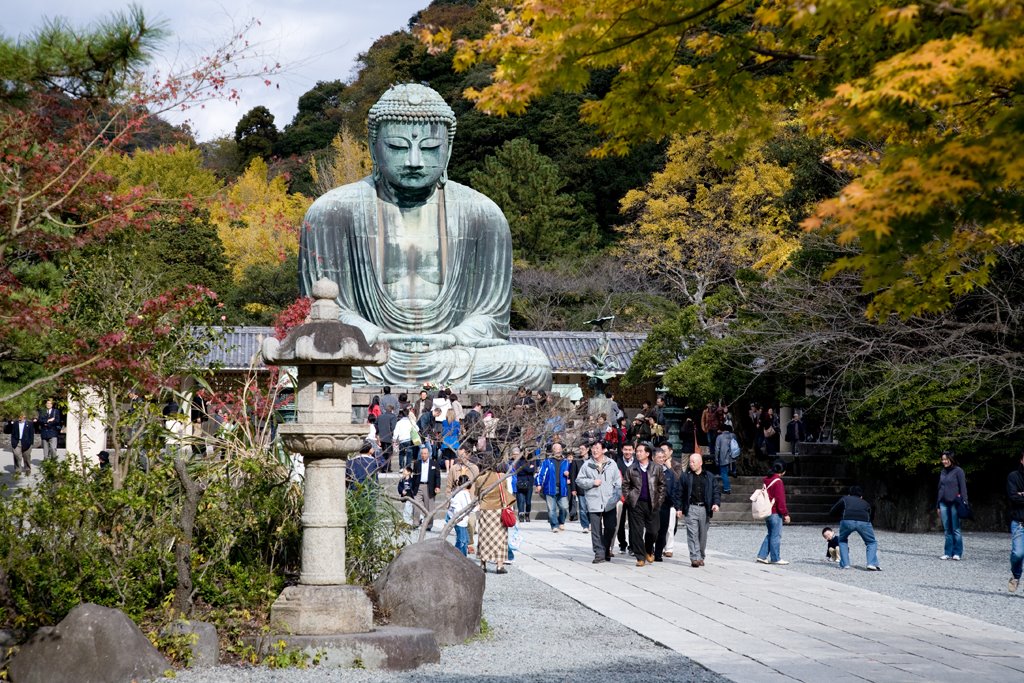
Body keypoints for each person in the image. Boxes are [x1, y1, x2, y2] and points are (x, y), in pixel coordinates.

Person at [576, 440, 623, 563]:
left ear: (603, 450)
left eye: (597, 448)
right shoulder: (587, 465)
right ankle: (599, 553)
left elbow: (618, 482)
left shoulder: (611, 463)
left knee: (611, 527)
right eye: (593, 448)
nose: (595, 450)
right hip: (593, 500)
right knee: (596, 530)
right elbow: (579, 480)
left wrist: (616, 497)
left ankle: (606, 549)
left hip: (610, 501)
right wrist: (592, 482)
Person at [622, 442, 666, 567]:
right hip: (636, 504)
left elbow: (662, 485)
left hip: (652, 504)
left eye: (641, 451)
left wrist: (659, 500)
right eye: (637, 451)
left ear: (647, 453)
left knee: (653, 531)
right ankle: (640, 556)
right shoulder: (632, 469)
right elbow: (625, 485)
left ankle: (648, 550)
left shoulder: (656, 468)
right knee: (637, 531)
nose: (638, 453)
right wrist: (629, 498)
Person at [677, 452, 721, 567]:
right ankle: (694, 557)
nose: (691, 464)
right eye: (690, 462)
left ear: (700, 463)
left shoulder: (709, 476)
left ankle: (701, 555)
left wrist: (716, 503)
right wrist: (679, 508)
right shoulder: (685, 476)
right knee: (692, 534)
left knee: (702, 535)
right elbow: (679, 493)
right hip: (691, 507)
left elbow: (716, 491)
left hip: (704, 508)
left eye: (694, 462)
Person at [830, 486, 881, 570]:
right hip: (864, 522)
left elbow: (832, 512)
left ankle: (845, 564)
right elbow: (870, 516)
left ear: (849, 494)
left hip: (847, 521)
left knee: (842, 540)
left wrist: (841, 516)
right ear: (861, 496)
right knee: (871, 542)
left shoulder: (845, 499)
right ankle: (871, 563)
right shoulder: (865, 503)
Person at [475, 466, 511, 573]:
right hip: (498, 509)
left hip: (485, 509)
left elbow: (477, 494)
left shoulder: (480, 479)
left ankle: (483, 563)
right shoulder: (501, 476)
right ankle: (499, 565)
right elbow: (505, 491)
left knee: (484, 537)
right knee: (500, 537)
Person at [756, 461, 791, 565]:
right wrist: (785, 514)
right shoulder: (778, 481)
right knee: (776, 535)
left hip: (767, 510)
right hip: (775, 511)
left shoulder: (766, 480)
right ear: (783, 472)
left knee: (771, 534)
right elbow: (780, 499)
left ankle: (762, 556)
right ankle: (775, 558)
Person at [936, 450, 968, 560]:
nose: (944, 461)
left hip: (955, 502)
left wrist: (965, 502)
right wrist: (937, 505)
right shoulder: (943, 472)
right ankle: (947, 552)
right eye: (943, 459)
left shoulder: (958, 471)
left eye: (946, 459)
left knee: (956, 529)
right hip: (943, 502)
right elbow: (940, 489)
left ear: (951, 459)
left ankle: (957, 553)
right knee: (947, 529)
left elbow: (963, 488)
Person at [535, 443, 571, 532]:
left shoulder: (566, 462)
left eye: (559, 448)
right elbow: (541, 473)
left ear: (562, 450)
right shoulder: (547, 461)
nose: (558, 450)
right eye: (556, 449)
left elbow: (572, 473)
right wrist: (539, 484)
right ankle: (554, 525)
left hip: (563, 488)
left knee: (564, 507)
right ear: (553, 450)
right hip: (550, 487)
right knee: (551, 509)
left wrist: (569, 476)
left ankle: (561, 521)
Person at [653, 448, 679, 562]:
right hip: (652, 505)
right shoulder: (649, 471)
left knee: (663, 530)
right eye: (659, 457)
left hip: (665, 504)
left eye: (663, 457)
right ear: (653, 458)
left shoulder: (669, 473)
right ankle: (649, 550)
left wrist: (675, 504)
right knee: (652, 530)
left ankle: (658, 553)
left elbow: (674, 489)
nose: (661, 460)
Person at [410, 445, 442, 530]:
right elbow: (414, 476)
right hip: (419, 486)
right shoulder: (417, 463)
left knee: (429, 508)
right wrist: (412, 488)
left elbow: (437, 476)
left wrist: (437, 486)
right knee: (416, 505)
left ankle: (428, 525)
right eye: (422, 454)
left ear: (428, 454)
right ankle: (415, 523)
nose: (423, 455)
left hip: (429, 486)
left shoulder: (434, 464)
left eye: (425, 453)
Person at [1007, 448, 1024, 593]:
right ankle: (1016, 575)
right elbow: (1013, 497)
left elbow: (1019, 497)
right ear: (1021, 460)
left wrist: (1022, 494)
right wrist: (1019, 495)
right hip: (1019, 522)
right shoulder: (1013, 476)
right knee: (1017, 554)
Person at [616, 443, 637, 554]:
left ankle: (632, 546)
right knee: (620, 521)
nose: (627, 452)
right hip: (621, 496)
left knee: (634, 523)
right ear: (622, 450)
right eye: (625, 450)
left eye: (630, 450)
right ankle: (622, 544)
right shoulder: (617, 462)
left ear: (633, 450)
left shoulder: (637, 463)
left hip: (634, 497)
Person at [448, 475, 473, 556]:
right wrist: (477, 507)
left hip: (456, 519)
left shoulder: (456, 491)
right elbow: (468, 506)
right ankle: (458, 557)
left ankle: (460, 557)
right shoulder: (464, 493)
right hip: (460, 521)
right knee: (462, 541)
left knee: (464, 539)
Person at [570, 443, 591, 532]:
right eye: (580, 449)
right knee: (582, 508)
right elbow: (573, 475)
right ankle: (585, 525)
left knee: (591, 508)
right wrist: (573, 489)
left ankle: (591, 523)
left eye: (582, 448)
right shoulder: (576, 461)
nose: (580, 450)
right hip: (580, 488)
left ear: (587, 449)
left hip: (591, 487)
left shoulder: (592, 460)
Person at [512, 446, 535, 523]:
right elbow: (521, 470)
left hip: (529, 483)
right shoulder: (519, 461)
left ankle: (527, 514)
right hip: (520, 482)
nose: (527, 453)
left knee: (528, 501)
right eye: (525, 452)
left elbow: (533, 470)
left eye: (528, 452)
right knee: (520, 500)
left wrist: (526, 468)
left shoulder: (532, 461)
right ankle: (521, 515)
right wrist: (528, 468)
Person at [713, 424, 738, 494]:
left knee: (724, 473)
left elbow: (717, 449)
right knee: (731, 466)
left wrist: (716, 459)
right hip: (733, 456)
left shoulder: (719, 437)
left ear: (721, 430)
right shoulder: (733, 435)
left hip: (723, 457)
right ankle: (734, 471)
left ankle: (727, 488)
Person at [376, 402, 397, 472]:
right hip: (389, 437)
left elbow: (376, 425)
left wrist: (378, 434)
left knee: (384, 452)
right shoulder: (393, 416)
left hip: (381, 437)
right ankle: (387, 467)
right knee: (389, 453)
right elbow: (393, 427)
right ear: (392, 410)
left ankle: (383, 467)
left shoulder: (380, 416)